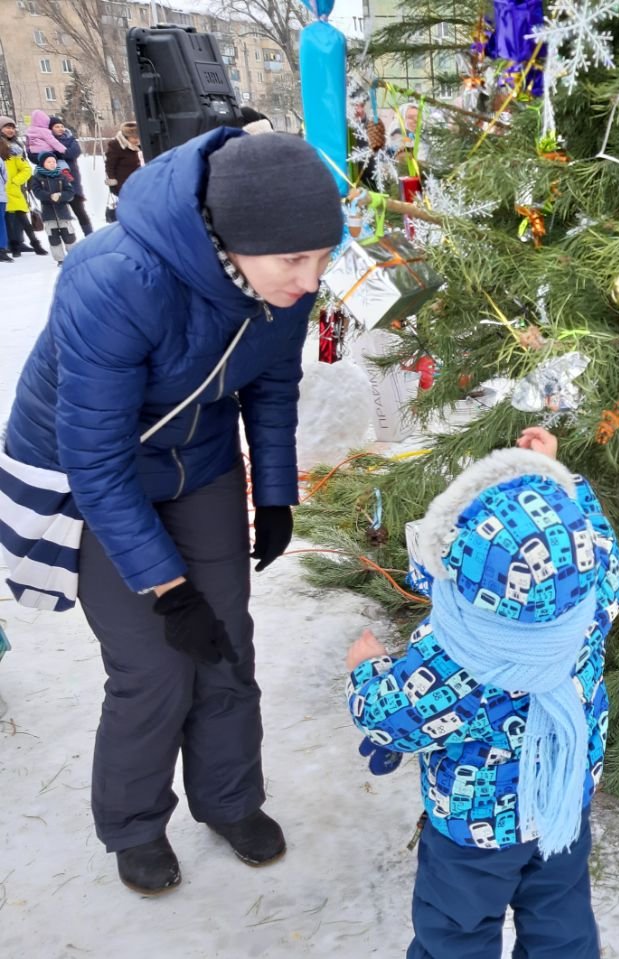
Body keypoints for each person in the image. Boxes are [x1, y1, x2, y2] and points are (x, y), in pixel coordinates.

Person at [3, 128, 343, 894]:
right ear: (233, 237)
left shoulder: (284, 283)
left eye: (324, 257)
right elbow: (94, 457)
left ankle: (228, 799)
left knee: (225, 643)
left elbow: (271, 386)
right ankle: (134, 824)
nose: (310, 279)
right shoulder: (116, 276)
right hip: (91, 473)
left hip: (200, 460)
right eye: (295, 260)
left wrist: (276, 493)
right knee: (154, 665)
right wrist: (167, 585)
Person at [345, 426, 619, 959]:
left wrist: (367, 669)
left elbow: (386, 717)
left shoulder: (455, 666)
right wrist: (552, 475)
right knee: (560, 922)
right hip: (564, 804)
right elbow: (598, 541)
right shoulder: (589, 610)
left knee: (457, 933)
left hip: (473, 836)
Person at [48, 116, 93, 236]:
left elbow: (74, 152)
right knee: (62, 215)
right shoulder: (47, 141)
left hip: (72, 179)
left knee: (80, 210)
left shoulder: (71, 139)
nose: (60, 128)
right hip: (56, 181)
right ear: (50, 128)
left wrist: (58, 152)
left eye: (62, 126)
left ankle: (89, 234)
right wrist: (62, 152)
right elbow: (48, 157)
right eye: (56, 126)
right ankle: (69, 239)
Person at [30, 152, 77, 264]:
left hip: (63, 212)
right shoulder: (37, 178)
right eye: (49, 162)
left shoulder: (62, 176)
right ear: (42, 163)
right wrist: (49, 196)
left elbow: (70, 192)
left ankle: (73, 256)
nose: (52, 164)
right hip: (48, 213)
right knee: (54, 238)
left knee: (69, 235)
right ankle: (60, 259)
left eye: (54, 162)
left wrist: (60, 196)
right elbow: (37, 192)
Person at [3, 141, 47, 256]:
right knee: (9, 223)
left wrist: (15, 181)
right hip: (3, 194)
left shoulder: (13, 154)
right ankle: (14, 247)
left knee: (25, 222)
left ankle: (36, 245)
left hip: (15, 192)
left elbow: (26, 169)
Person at [104, 120, 143, 223]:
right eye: (134, 138)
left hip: (139, 181)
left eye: (138, 137)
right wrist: (112, 182)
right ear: (126, 137)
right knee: (130, 207)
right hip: (124, 183)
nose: (136, 140)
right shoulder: (116, 146)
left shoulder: (139, 146)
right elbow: (110, 165)